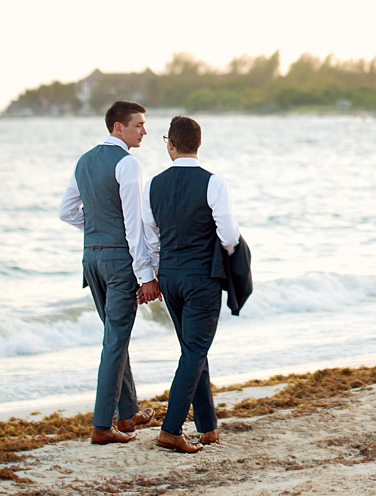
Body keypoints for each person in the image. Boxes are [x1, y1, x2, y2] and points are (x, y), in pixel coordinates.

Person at [59, 101, 159, 445]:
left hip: (91, 259)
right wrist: (146, 274)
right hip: (118, 262)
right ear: (118, 127)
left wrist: (98, 229)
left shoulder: (84, 160)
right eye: (138, 125)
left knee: (116, 335)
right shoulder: (128, 164)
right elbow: (135, 224)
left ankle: (128, 413)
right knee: (115, 340)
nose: (144, 131)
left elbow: (67, 212)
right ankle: (102, 426)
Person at [142, 116, 241, 454]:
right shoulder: (213, 183)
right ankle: (170, 430)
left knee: (193, 349)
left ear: (170, 143)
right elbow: (229, 235)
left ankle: (208, 426)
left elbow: (149, 237)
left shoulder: (153, 184)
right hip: (202, 278)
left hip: (170, 277)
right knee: (196, 350)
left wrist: (152, 273)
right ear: (199, 144)